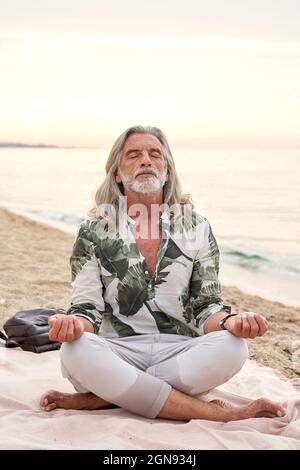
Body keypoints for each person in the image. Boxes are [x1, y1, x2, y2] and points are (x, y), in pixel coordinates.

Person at [40, 126, 285, 422]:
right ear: (117, 173)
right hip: (118, 350)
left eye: (155, 154)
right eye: (133, 154)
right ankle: (216, 414)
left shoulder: (196, 227)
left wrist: (233, 321)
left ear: (167, 172)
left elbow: (206, 305)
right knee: (75, 350)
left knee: (233, 347)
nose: (145, 160)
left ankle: (105, 397)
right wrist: (71, 324)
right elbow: (86, 309)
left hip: (181, 350)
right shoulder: (93, 230)